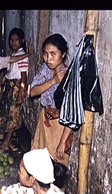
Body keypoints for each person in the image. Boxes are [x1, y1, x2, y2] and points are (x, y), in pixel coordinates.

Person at [29, 33, 73, 169]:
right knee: (39, 164)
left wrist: (62, 141)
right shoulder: (46, 69)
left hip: (61, 128)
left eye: (53, 54)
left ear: (63, 54)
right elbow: (32, 92)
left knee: (56, 167)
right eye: (45, 54)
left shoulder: (69, 77)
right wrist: (53, 81)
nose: (48, 59)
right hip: (45, 121)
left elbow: (72, 114)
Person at [0, 28, 32, 151]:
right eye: (11, 40)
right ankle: (5, 141)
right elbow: (11, 71)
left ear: (22, 41)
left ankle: (5, 143)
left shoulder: (22, 56)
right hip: (10, 87)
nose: (13, 42)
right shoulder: (16, 55)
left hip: (16, 88)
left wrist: (21, 93)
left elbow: (23, 75)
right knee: (8, 113)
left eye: (16, 40)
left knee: (12, 115)